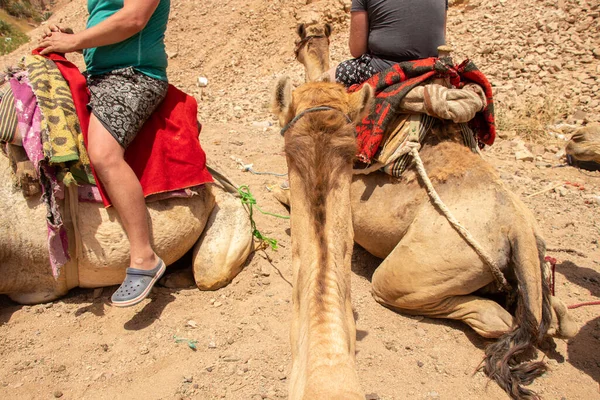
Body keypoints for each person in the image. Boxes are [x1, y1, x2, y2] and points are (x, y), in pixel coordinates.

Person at [38, 0, 171, 308]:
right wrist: (68, 38)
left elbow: (134, 19)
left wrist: (74, 41)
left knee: (103, 153)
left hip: (133, 75)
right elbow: (107, 24)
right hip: (98, 75)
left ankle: (144, 257)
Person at [330, 0, 448, 86]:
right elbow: (440, 36)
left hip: (385, 68)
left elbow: (357, 50)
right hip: (431, 67)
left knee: (323, 82)